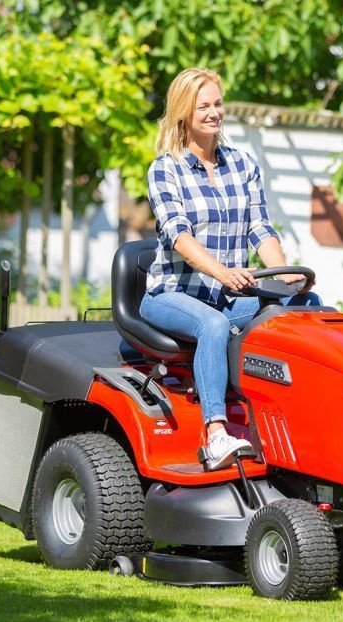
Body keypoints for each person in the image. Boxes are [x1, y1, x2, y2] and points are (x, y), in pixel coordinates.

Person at [140, 67, 322, 471]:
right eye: (202, 105)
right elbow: (179, 236)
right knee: (213, 326)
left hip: (226, 295)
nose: (213, 112)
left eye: (218, 103)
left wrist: (284, 274)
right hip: (173, 293)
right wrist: (223, 272)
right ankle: (216, 434)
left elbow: (259, 227)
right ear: (184, 112)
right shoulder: (165, 169)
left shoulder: (242, 165)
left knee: (302, 306)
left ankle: (300, 420)